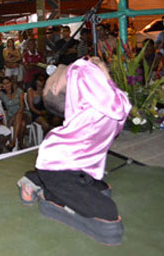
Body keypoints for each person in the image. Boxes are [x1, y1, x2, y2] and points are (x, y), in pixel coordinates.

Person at [17, 57, 131, 245]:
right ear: (55, 88)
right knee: (107, 211)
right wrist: (102, 69)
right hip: (57, 164)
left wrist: (103, 74)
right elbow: (120, 107)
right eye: (48, 80)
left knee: (101, 189)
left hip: (77, 164)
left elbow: (117, 104)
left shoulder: (90, 101)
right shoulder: (79, 70)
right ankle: (47, 190)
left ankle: (36, 181)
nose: (50, 73)